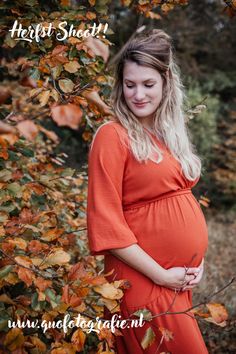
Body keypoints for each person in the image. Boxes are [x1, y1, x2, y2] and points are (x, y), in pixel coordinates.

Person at [86, 28, 209, 354]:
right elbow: (106, 223)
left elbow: (182, 207)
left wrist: (197, 262)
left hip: (174, 282)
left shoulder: (168, 135)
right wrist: (162, 275)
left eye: (148, 84)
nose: (138, 94)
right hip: (143, 281)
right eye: (130, 85)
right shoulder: (112, 136)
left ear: (167, 83)